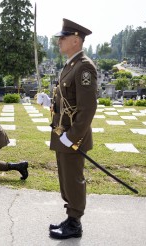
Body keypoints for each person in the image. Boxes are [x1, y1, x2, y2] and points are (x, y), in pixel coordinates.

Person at [49, 19, 97, 239]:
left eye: (64, 37)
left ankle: (75, 224)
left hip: (72, 137)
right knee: (66, 178)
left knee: (73, 179)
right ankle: (70, 218)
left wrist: (73, 136)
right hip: (63, 135)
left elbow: (88, 108)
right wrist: (48, 102)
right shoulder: (70, 64)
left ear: (76, 40)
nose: (59, 41)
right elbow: (69, 100)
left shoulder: (84, 66)